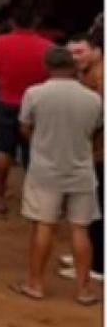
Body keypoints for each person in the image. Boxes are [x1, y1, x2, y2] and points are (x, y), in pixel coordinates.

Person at [10, 48, 102, 306]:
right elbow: (98, 133)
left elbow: (25, 127)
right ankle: (83, 289)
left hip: (45, 170)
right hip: (81, 170)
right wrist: (88, 152)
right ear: (73, 67)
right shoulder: (93, 99)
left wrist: (39, 143)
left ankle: (35, 283)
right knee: (80, 229)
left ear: (46, 66)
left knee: (43, 226)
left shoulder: (35, 94)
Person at [0, 7, 52, 215]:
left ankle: (0, 196)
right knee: (35, 149)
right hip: (37, 104)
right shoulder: (47, 46)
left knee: (4, 149)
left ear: (13, 22)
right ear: (36, 22)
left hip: (6, 100)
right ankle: (35, 197)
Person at [59, 34, 104, 283]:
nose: (75, 58)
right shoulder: (87, 73)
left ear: (96, 51)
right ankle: (87, 256)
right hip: (92, 153)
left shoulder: (102, 76)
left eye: (80, 52)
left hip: (100, 154)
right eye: (71, 54)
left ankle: (98, 265)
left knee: (98, 212)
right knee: (90, 209)